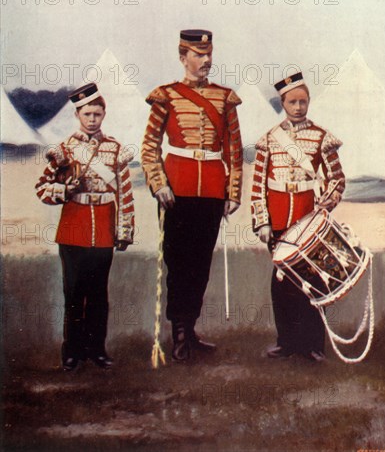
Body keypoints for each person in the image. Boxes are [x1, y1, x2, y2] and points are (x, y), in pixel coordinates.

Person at [141, 29, 243, 361]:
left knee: (200, 265)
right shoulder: (165, 96)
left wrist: (233, 191)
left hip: (212, 189)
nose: (206, 60)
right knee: (178, 262)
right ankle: (179, 332)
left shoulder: (225, 98)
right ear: (183, 57)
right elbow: (149, 147)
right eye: (198, 55)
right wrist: (159, 184)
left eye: (208, 54)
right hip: (177, 189)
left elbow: (234, 150)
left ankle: (191, 328)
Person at [36, 83, 135, 371]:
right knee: (74, 294)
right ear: (78, 115)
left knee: (99, 294)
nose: (92, 119)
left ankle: (97, 350)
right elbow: (42, 189)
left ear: (104, 115)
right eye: (87, 114)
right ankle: (72, 352)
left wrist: (124, 230)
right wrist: (63, 191)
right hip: (73, 229)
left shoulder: (115, 149)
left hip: (104, 229)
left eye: (97, 114)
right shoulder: (64, 150)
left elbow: (125, 192)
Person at [251, 72, 345, 362]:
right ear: (282, 103)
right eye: (292, 102)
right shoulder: (268, 140)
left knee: (315, 282)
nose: (298, 107)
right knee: (283, 286)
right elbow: (258, 186)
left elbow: (337, 179)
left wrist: (324, 206)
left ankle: (313, 345)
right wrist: (262, 221)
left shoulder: (320, 137)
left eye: (303, 101)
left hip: (309, 222)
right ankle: (287, 342)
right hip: (278, 219)